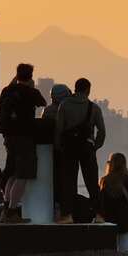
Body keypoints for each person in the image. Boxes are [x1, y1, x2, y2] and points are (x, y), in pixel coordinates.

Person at [0, 63, 47, 223]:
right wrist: (31, 87)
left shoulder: (7, 91)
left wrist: (13, 84)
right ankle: (12, 211)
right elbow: (43, 103)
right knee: (23, 175)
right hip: (25, 138)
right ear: (31, 76)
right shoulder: (31, 92)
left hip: (8, 138)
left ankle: (6, 210)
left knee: (12, 173)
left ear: (17, 75)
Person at [56, 78, 106, 224]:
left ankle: (67, 215)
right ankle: (99, 215)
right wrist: (95, 146)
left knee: (68, 182)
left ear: (75, 89)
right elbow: (102, 131)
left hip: (69, 149)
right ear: (88, 90)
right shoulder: (94, 108)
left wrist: (59, 146)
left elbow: (59, 129)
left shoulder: (64, 105)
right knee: (91, 181)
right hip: (87, 148)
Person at [41, 84, 72, 215]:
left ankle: (53, 207)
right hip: (66, 151)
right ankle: (65, 209)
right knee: (66, 181)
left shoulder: (47, 111)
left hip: (49, 152)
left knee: (53, 181)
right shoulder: (68, 110)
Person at [99, 153, 128, 251]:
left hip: (109, 224)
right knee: (127, 255)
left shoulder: (104, 181)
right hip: (127, 223)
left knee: (110, 255)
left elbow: (102, 202)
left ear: (110, 164)